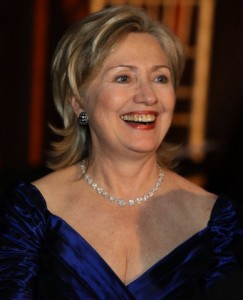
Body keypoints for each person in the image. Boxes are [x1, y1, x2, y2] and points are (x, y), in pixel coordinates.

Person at [0, 5, 243, 299]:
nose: (148, 96)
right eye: (123, 78)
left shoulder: (215, 221)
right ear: (78, 102)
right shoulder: (31, 213)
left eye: (160, 78)